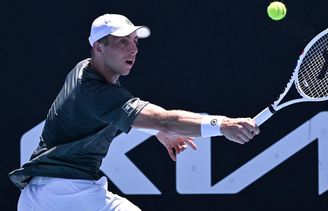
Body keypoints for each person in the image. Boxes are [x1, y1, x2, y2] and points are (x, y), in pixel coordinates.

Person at [9, 14, 260, 211]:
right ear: (98, 47)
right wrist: (223, 125)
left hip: (51, 193)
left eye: (135, 41)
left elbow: (126, 115)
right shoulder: (94, 93)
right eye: (122, 42)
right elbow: (165, 119)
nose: (133, 49)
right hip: (62, 195)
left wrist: (159, 130)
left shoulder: (87, 69)